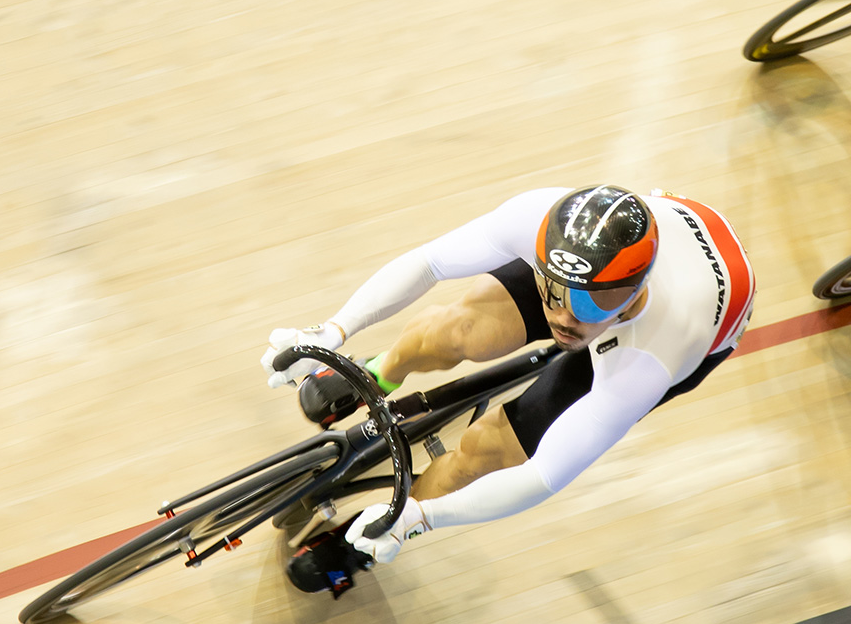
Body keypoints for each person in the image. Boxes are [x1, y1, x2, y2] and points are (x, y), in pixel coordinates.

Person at [261, 185, 755, 593]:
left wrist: (421, 519)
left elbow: (543, 476)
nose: (563, 318)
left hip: (690, 329)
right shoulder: (542, 221)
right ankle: (381, 370)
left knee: (488, 450)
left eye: (588, 308)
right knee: (454, 330)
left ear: (633, 294)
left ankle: (367, 538)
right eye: (554, 294)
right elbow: (429, 262)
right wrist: (331, 331)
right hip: (615, 262)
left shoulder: (649, 358)